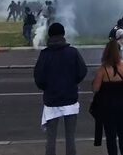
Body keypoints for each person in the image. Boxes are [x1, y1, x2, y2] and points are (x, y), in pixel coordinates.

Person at [34, 23, 88, 155]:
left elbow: (39, 78)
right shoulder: (72, 52)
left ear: (50, 35)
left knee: (50, 139)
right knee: (70, 138)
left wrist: (47, 87)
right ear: (63, 35)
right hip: (70, 99)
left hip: (51, 100)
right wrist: (72, 82)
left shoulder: (45, 54)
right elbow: (82, 71)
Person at [91, 40, 123, 155]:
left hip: (107, 105)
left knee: (110, 135)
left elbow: (95, 88)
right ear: (119, 51)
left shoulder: (103, 69)